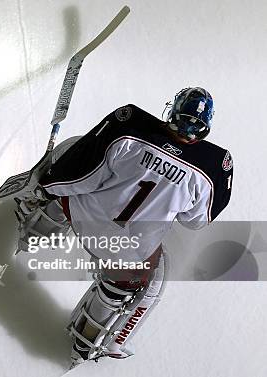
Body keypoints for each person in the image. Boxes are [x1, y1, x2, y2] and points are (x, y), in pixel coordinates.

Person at [15, 87, 233, 366]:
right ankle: (89, 341)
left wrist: (47, 187)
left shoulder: (130, 124)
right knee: (152, 275)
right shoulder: (214, 166)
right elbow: (195, 221)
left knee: (73, 151)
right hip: (126, 253)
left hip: (81, 218)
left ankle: (33, 230)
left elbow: (83, 176)